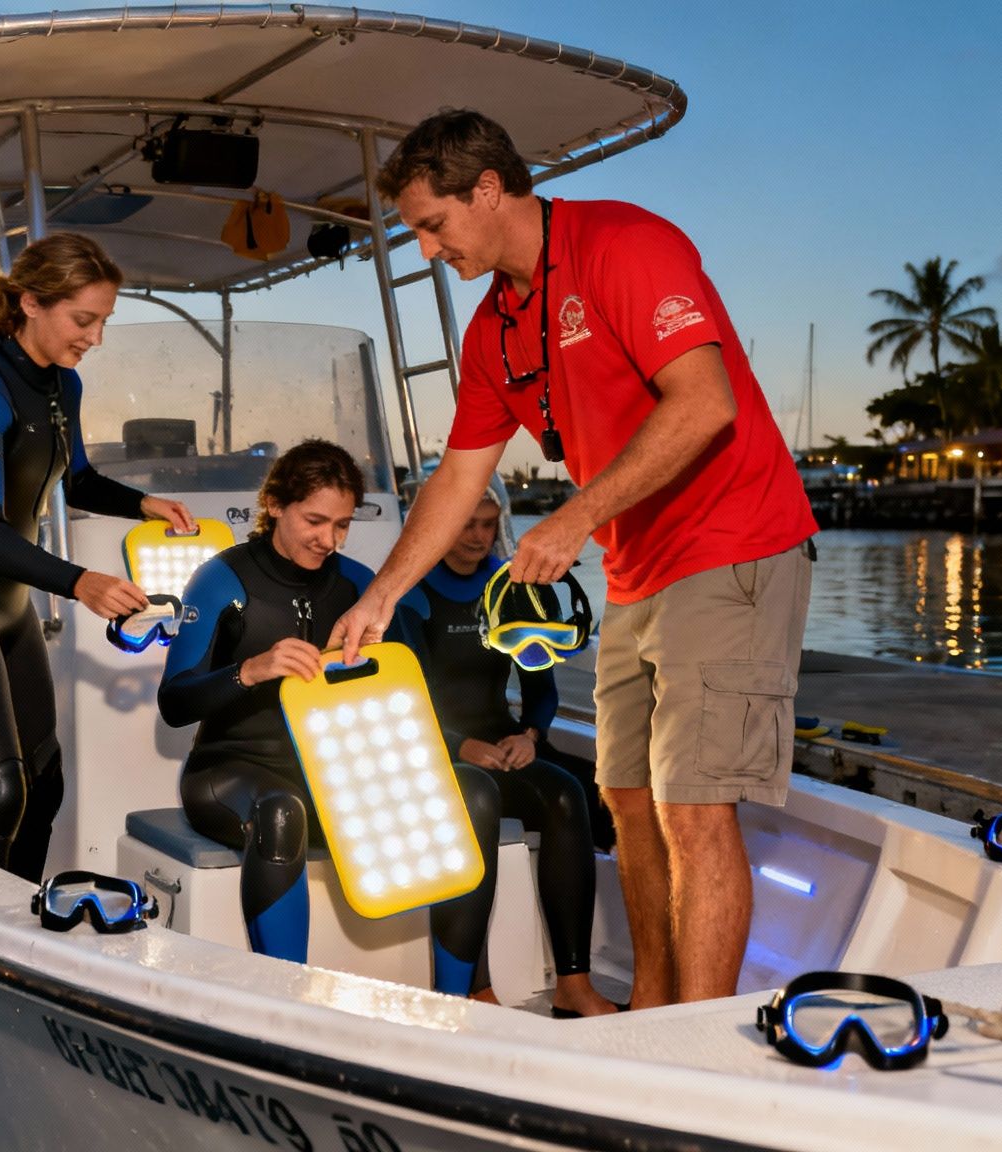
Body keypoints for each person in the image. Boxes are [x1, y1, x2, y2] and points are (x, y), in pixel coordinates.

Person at [330, 110, 817, 1007]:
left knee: (694, 807)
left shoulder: (625, 244)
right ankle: (652, 1015)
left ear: (487, 190)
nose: (429, 248)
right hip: (638, 566)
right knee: (627, 801)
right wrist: (382, 594)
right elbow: (456, 477)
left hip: (733, 540)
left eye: (434, 224)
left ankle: (692, 1055)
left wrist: (571, 521)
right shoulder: (493, 331)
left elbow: (705, 404)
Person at [0, 232, 194, 882]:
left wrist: (148, 505)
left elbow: (77, 478)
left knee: (45, 782)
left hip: (7, 605)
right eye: (84, 319)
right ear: (31, 302)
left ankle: (20, 924)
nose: (96, 337)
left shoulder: (64, 386)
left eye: (104, 321)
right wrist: (79, 581)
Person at [160, 439, 501, 997]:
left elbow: (408, 692)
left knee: (477, 795)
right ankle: (290, 1003)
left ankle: (461, 1000)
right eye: (315, 521)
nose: (329, 540)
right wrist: (251, 669)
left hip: (339, 777)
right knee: (280, 812)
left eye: (342, 525)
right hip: (234, 771)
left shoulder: (359, 584)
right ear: (274, 504)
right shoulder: (222, 580)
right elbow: (174, 704)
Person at [409, 487, 617, 1017]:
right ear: (439, 522)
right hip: (429, 749)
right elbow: (406, 695)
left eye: (488, 524)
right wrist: (460, 745)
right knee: (475, 798)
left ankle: (574, 984)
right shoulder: (412, 591)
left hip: (500, 743)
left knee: (567, 794)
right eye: (466, 524)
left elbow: (540, 688)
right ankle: (472, 985)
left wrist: (528, 736)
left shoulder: (510, 586)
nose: (479, 537)